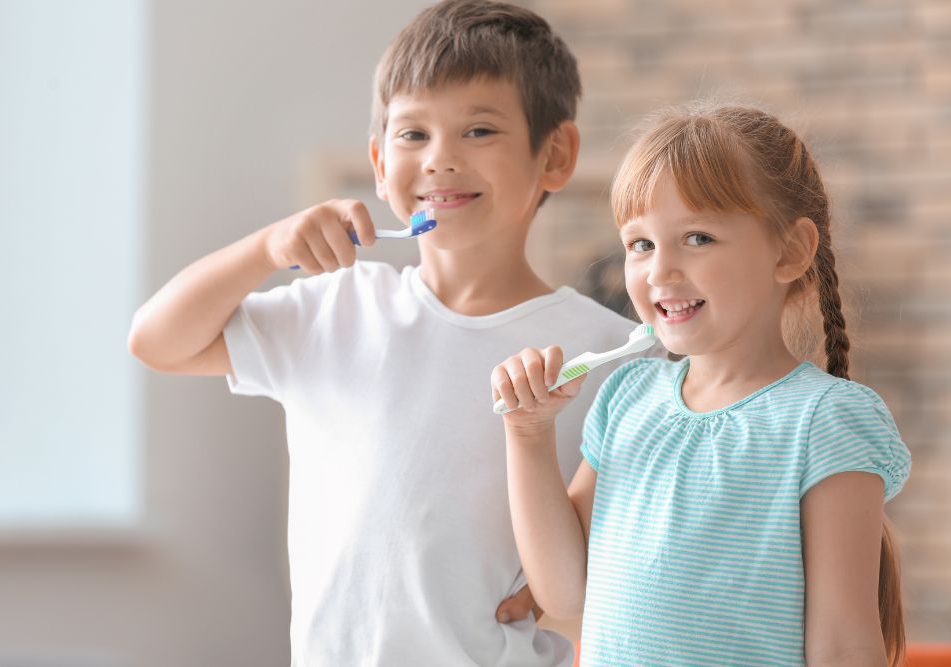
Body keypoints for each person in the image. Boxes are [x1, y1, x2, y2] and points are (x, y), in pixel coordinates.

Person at [128, 1, 658, 664]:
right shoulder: (335, 309)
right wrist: (265, 248)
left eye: (480, 130)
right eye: (413, 136)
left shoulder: (609, 353)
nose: (440, 160)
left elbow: (621, 567)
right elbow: (157, 340)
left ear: (555, 155)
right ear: (379, 163)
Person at [491, 103, 912, 667]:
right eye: (640, 244)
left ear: (789, 251)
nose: (659, 270)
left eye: (697, 237)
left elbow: (843, 643)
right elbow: (565, 592)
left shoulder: (825, 419)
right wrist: (528, 433)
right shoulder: (626, 398)